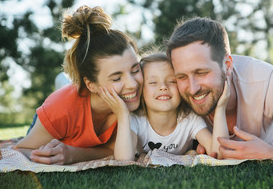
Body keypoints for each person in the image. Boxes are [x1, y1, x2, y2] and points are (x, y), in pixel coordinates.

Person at [166, 17, 273, 160]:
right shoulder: (172, 92)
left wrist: (272, 152)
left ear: (227, 65)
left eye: (201, 73)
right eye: (182, 77)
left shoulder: (267, 81)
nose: (192, 89)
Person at [14, 5, 143, 165]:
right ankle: (62, 80)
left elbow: (113, 151)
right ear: (91, 84)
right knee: (64, 91)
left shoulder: (139, 95)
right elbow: (21, 150)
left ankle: (63, 80)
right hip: (58, 112)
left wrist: (72, 154)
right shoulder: (61, 109)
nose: (132, 84)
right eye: (116, 78)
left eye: (135, 69)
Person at [98, 52, 229, 160]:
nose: (163, 87)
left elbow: (219, 154)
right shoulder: (136, 120)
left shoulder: (190, 119)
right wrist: (122, 115)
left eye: (171, 81)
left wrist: (220, 108)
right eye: (153, 82)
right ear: (141, 90)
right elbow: (123, 161)